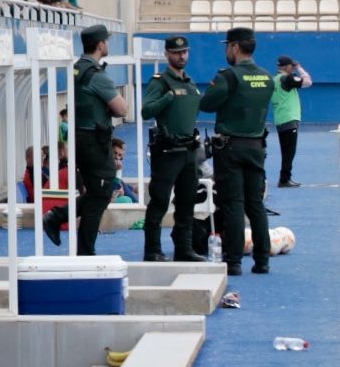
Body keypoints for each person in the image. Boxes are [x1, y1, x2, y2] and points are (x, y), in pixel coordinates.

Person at [43, 24, 126, 254]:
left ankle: (59, 220)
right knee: (100, 195)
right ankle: (82, 248)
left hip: (80, 139)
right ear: (101, 45)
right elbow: (121, 109)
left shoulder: (76, 69)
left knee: (97, 193)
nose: (107, 44)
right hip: (94, 142)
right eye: (106, 41)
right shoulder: (97, 75)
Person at [200, 27, 276, 276]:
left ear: (234, 47)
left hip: (230, 147)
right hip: (256, 146)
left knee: (233, 204)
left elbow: (207, 104)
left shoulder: (228, 76)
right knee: (255, 204)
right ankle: (262, 260)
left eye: (227, 46)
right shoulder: (266, 77)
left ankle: (233, 261)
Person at [140, 36, 205, 263]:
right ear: (167, 54)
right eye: (177, 52)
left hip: (188, 151)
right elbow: (146, 111)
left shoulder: (190, 82)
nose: (182, 56)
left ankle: (184, 248)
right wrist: (167, 98)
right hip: (168, 152)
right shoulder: (160, 81)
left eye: (185, 52)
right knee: (159, 201)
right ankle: (152, 249)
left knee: (187, 202)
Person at [273, 55, 312, 188]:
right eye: (291, 65)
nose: (292, 67)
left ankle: (284, 178)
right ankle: (284, 179)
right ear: (286, 67)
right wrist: (300, 68)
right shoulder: (287, 78)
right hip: (289, 118)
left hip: (280, 118)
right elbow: (308, 82)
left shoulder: (275, 79)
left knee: (286, 151)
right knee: (289, 151)